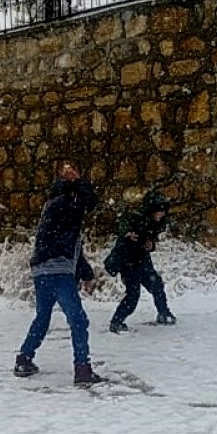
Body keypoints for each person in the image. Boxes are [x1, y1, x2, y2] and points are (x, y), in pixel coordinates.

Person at [13, 163, 106, 386]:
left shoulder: (52, 209)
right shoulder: (65, 205)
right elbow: (89, 201)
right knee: (78, 319)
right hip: (58, 271)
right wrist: (78, 182)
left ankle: (24, 359)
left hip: (42, 270)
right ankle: (82, 368)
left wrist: (86, 274)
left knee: (43, 317)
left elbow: (73, 249)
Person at [108, 189, 176, 333]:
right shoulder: (136, 218)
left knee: (156, 286)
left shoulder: (155, 223)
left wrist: (150, 244)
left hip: (142, 261)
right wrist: (127, 233)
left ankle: (164, 313)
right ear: (152, 209)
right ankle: (116, 321)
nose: (162, 214)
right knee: (133, 295)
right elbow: (124, 223)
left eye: (163, 211)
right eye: (159, 210)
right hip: (129, 263)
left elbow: (150, 239)